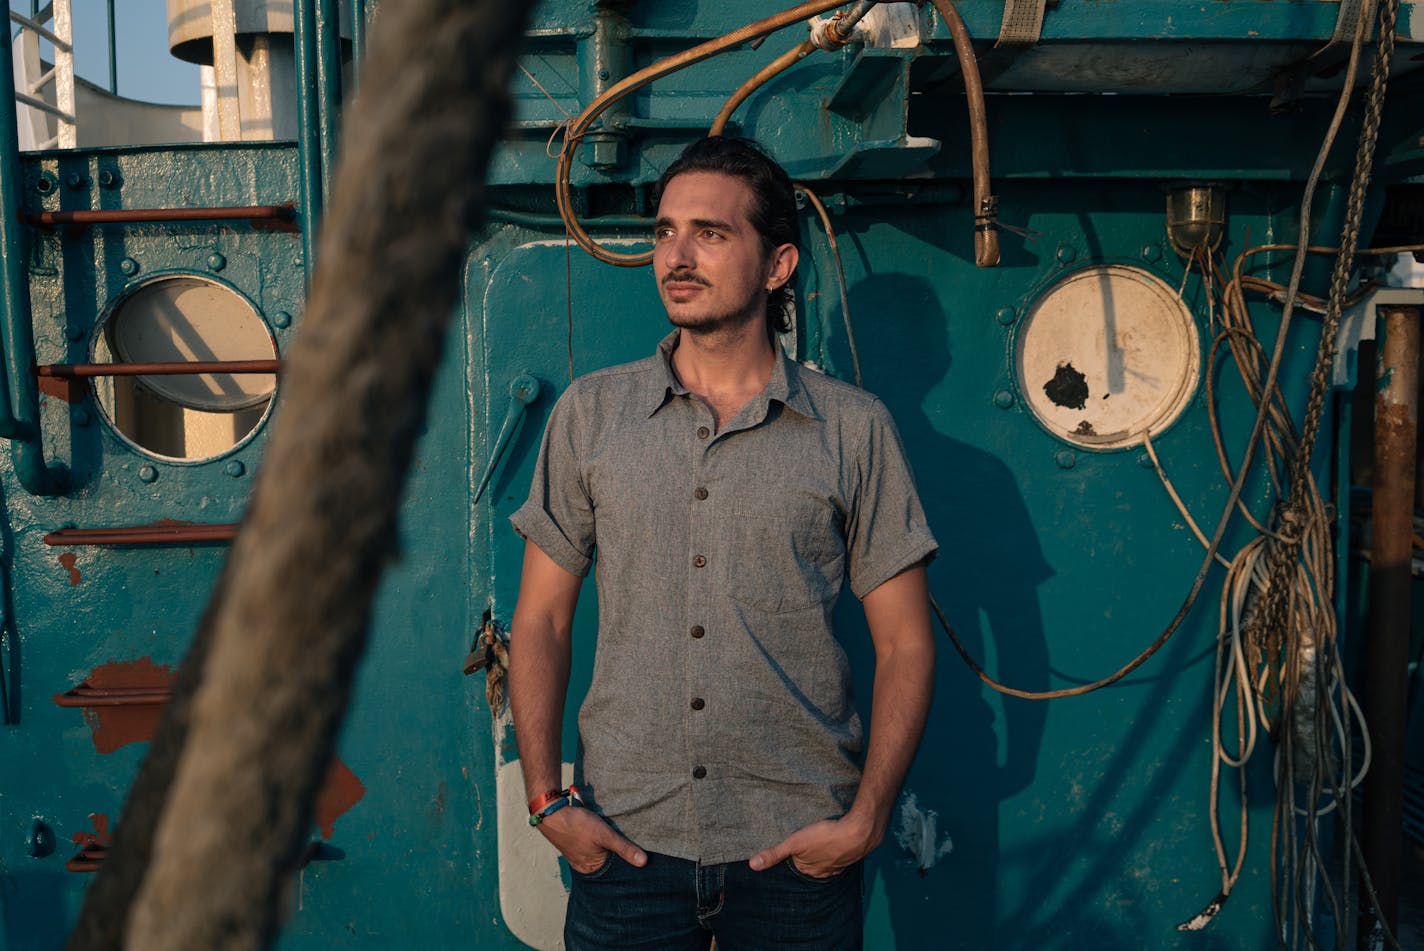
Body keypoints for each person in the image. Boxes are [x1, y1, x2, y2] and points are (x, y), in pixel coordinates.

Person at [506, 135, 938, 950]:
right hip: (628, 840)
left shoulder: (854, 428)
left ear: (777, 266)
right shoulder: (591, 416)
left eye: (710, 233)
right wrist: (545, 799)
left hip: (797, 846)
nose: (676, 255)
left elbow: (905, 640)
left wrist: (867, 816)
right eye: (666, 231)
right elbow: (542, 622)